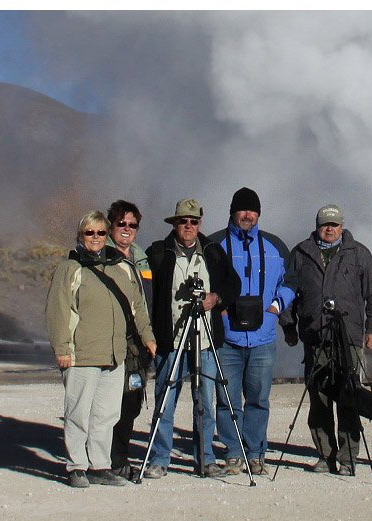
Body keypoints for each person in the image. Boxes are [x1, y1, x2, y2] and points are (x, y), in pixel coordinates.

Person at [46, 210, 157, 488]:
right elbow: (58, 311)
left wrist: (148, 336)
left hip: (115, 355)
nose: (95, 238)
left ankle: (99, 465)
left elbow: (137, 308)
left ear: (107, 236)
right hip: (82, 355)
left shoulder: (121, 267)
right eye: (89, 233)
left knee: (107, 414)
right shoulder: (70, 269)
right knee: (78, 412)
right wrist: (62, 349)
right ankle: (76, 466)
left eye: (100, 233)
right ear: (80, 236)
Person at [283, 204, 372, 476]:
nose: (330, 229)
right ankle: (324, 455)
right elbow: (286, 292)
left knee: (348, 395)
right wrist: (288, 327)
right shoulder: (301, 253)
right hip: (315, 336)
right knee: (319, 397)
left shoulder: (359, 254)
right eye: (325, 224)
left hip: (348, 335)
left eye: (335, 224)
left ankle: (348, 457)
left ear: (342, 226)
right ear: (317, 226)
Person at [143, 198, 240, 479]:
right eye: (183, 221)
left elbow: (233, 284)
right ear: (174, 223)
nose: (188, 226)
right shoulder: (158, 253)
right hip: (170, 340)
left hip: (205, 341)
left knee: (205, 403)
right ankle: (159, 459)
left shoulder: (213, 252)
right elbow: (146, 291)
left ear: (199, 224)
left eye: (193, 221)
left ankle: (205, 459)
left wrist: (216, 298)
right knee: (165, 402)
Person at [208, 187, 297, 476]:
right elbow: (203, 279)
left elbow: (291, 281)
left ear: (258, 214)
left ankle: (256, 452)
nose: (247, 215)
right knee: (227, 399)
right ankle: (234, 452)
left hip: (262, 338)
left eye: (252, 210)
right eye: (242, 209)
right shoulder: (214, 244)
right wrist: (218, 311)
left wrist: (275, 308)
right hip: (227, 338)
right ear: (232, 212)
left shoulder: (274, 245)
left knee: (258, 399)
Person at [105, 200, 153, 481]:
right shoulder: (101, 256)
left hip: (137, 346)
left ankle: (118, 458)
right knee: (109, 404)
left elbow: (147, 298)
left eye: (132, 225)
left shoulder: (141, 257)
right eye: (120, 223)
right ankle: (107, 460)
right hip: (111, 342)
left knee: (131, 403)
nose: (126, 229)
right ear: (111, 226)